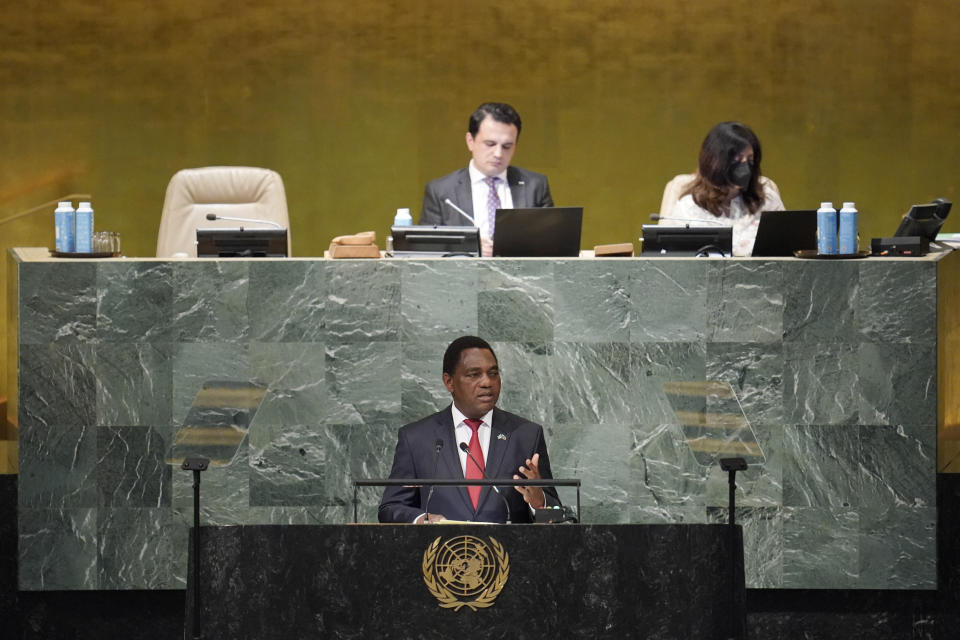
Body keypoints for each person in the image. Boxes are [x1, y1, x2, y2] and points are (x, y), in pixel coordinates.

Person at [379, 336, 558, 523]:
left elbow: (558, 516)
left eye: (493, 373)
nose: (487, 383)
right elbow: (390, 508)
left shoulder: (525, 435)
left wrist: (540, 502)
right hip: (441, 550)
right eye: (474, 374)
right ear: (449, 382)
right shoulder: (416, 438)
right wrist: (421, 520)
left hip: (507, 551)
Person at [420, 102, 554, 256]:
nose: (498, 153)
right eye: (490, 144)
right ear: (470, 141)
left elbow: (549, 246)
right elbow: (427, 250)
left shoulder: (535, 186)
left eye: (507, 146)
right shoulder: (441, 191)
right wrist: (470, 248)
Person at [659, 121, 784, 256]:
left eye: (749, 160)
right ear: (714, 163)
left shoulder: (768, 201)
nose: (744, 168)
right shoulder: (688, 209)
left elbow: (788, 248)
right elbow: (668, 260)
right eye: (737, 160)